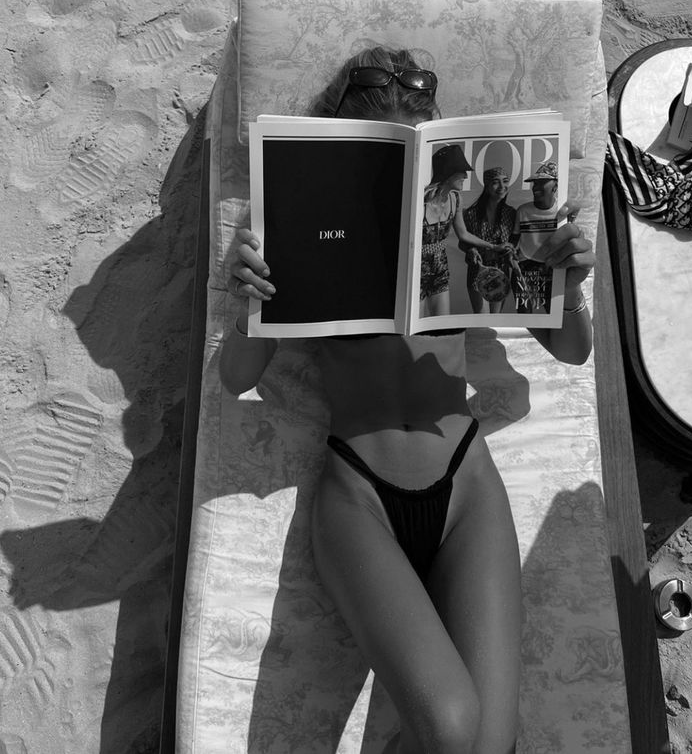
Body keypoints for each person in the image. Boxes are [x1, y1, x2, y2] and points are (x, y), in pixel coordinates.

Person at [220, 45, 594, 754]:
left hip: (466, 482)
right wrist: (247, 300)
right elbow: (234, 379)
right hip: (362, 497)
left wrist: (565, 284)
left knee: (491, 745)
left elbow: (573, 352)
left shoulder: (461, 224)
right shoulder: (299, 226)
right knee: (453, 731)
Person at [421, 144, 500, 317]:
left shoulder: (455, 198)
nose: (465, 175)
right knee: (414, 325)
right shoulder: (421, 200)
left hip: (440, 267)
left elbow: (463, 234)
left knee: (441, 323)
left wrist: (493, 247)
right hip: (416, 269)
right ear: (448, 172)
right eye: (461, 171)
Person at [460, 166, 518, 314]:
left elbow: (514, 242)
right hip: (477, 270)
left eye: (505, 181)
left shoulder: (511, 213)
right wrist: (471, 250)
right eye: (495, 182)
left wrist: (511, 251)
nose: (502, 186)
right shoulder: (471, 214)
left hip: (501, 271)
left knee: (495, 319)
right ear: (486, 187)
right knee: (481, 319)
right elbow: (463, 242)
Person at [511, 161, 561, 314]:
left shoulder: (562, 213)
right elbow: (514, 240)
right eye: (535, 183)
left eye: (542, 182)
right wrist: (511, 258)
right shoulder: (523, 211)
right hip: (524, 266)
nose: (536, 187)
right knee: (524, 312)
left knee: (553, 311)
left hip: (551, 268)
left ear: (555, 187)